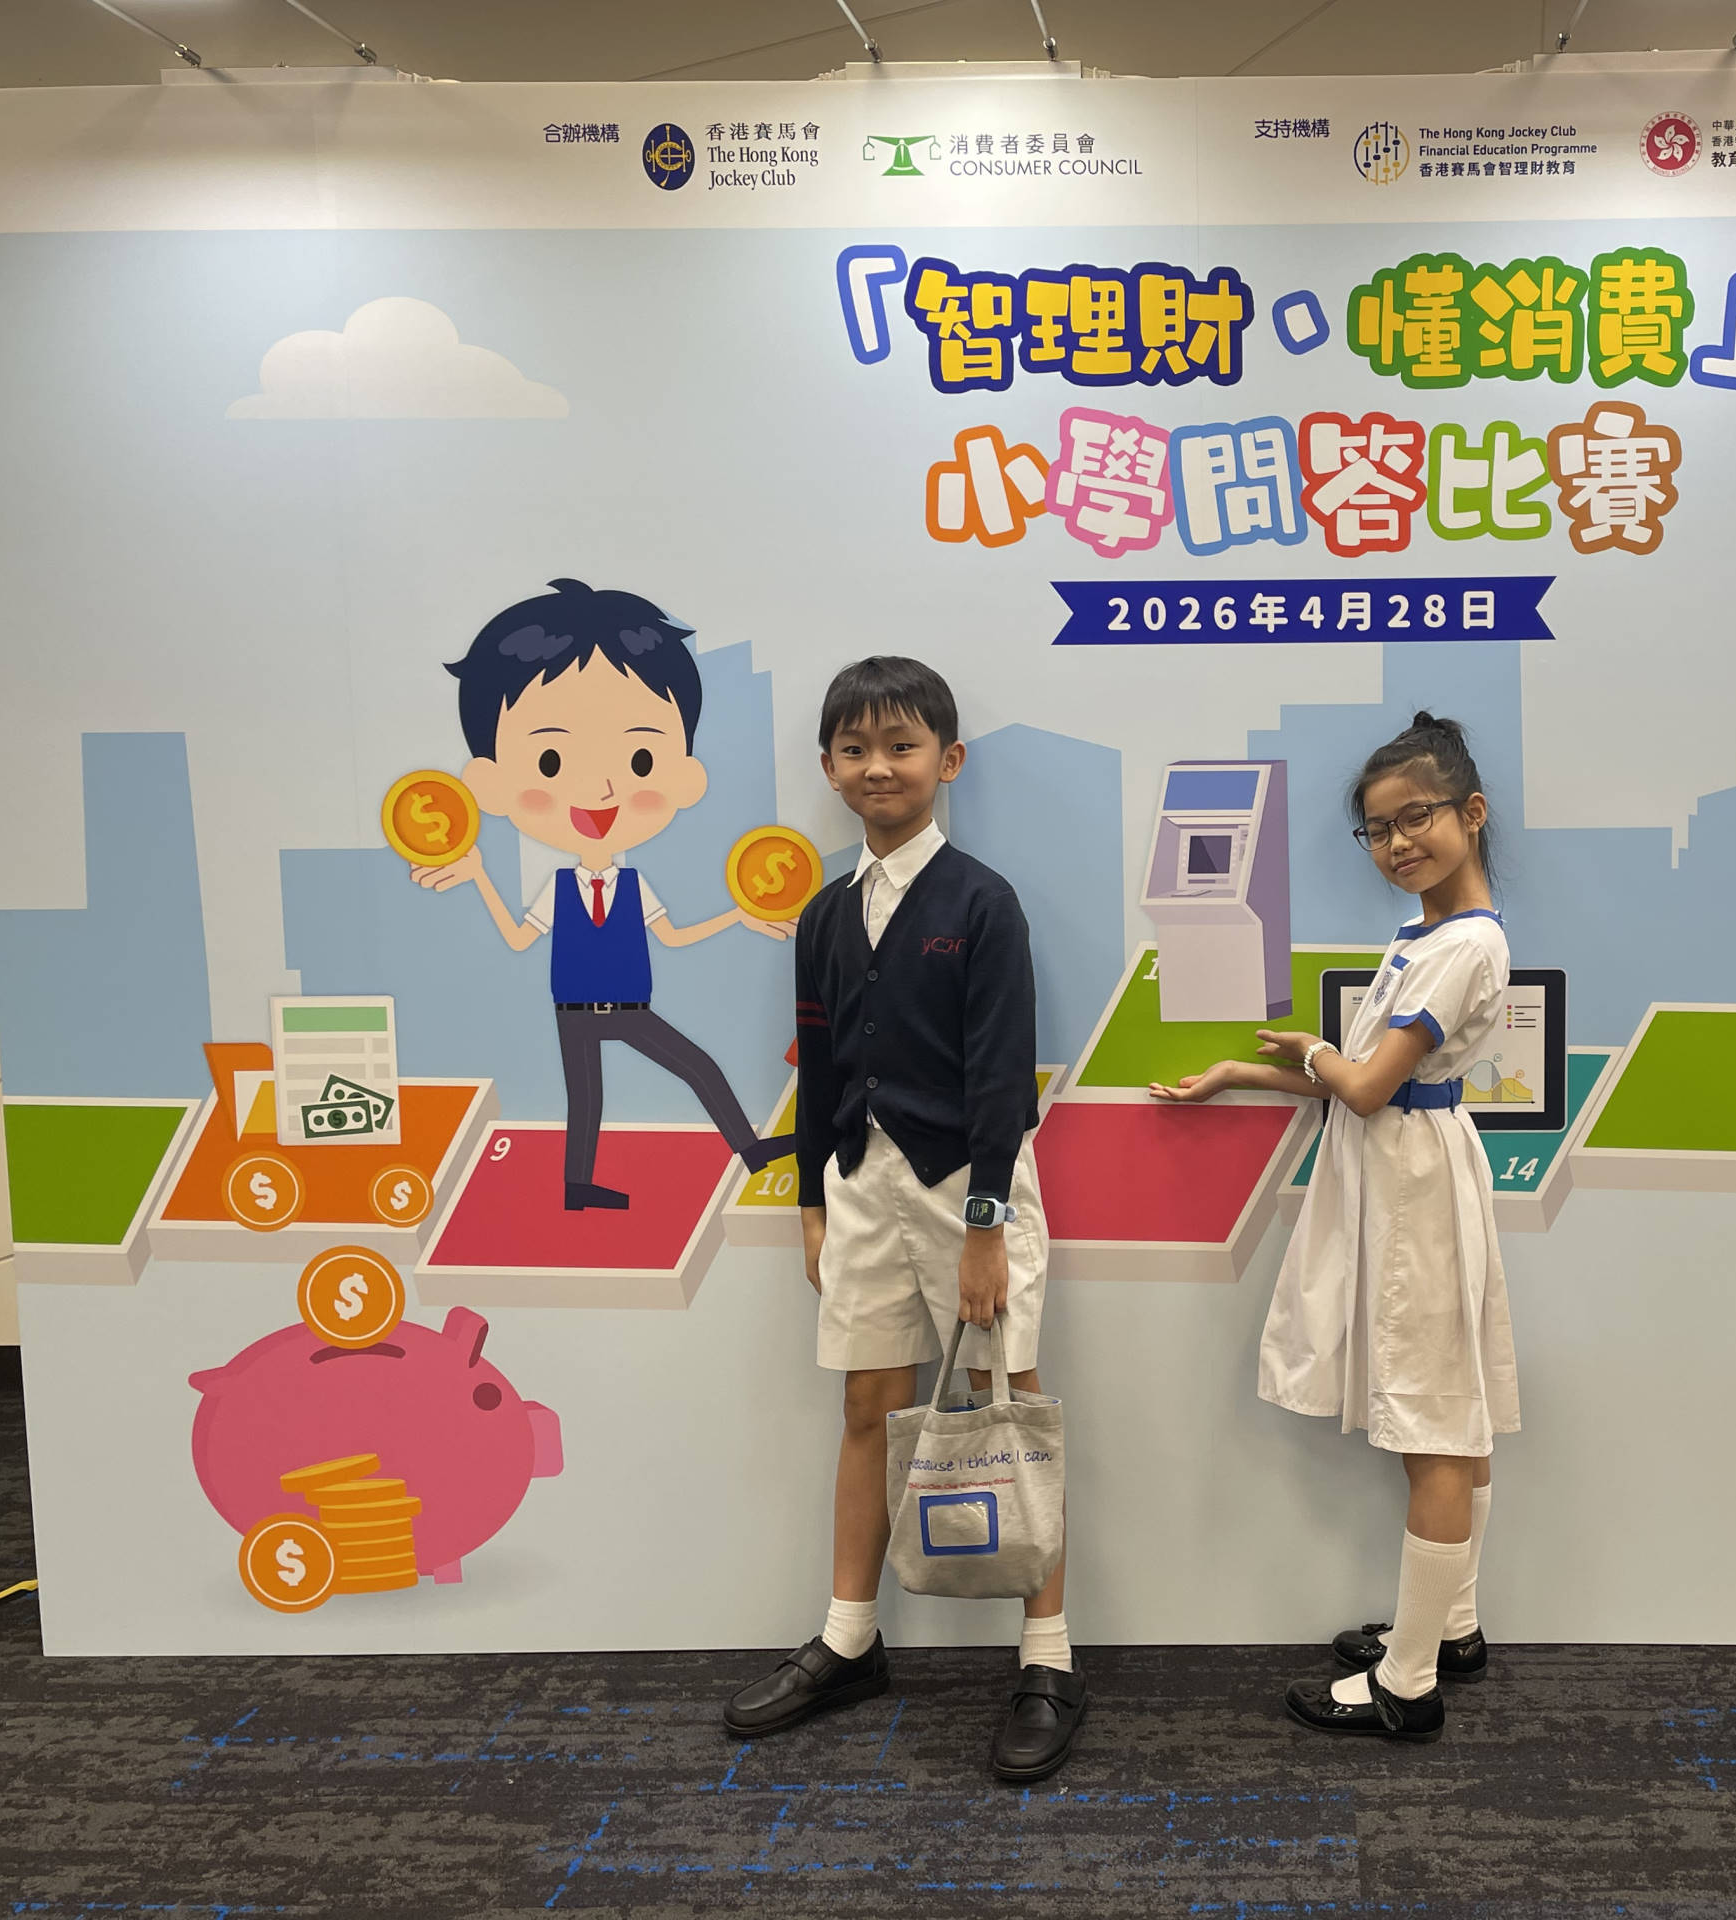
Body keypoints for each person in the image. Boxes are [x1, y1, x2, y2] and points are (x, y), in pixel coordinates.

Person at [722, 656, 1080, 1785]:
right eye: (855, 749)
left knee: (1006, 1403)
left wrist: (984, 1225)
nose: (878, 766)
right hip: (859, 1185)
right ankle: (848, 1639)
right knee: (866, 1403)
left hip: (970, 1185)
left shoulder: (982, 902)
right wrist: (810, 1203)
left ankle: (1048, 1659)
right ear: (829, 769)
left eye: (901, 746)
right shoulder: (825, 914)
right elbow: (819, 1064)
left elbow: (1002, 1079)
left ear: (947, 760)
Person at [1151, 712, 1517, 1744]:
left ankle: (1409, 1681)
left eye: (1417, 817)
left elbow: (1359, 1087)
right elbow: (1364, 1081)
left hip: (1413, 1190)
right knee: (1449, 1411)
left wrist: (1313, 1053)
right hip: (1405, 1171)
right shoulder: (1426, 937)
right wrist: (1242, 1071)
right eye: (1379, 829)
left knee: (1434, 1425)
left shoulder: (1464, 944)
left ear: (1471, 813)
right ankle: (1452, 1627)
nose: (1399, 843)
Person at [413, 578, 794, 1211]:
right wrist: (479, 874)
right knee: (585, 1099)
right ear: (492, 779)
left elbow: (672, 937)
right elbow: (518, 938)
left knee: (697, 1065)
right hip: (574, 1010)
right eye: (551, 762)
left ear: (684, 772)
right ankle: (578, 1186)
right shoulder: (558, 889)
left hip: (628, 1006)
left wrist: (737, 916)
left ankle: (749, 1150)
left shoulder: (633, 886)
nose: (599, 790)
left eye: (640, 760)